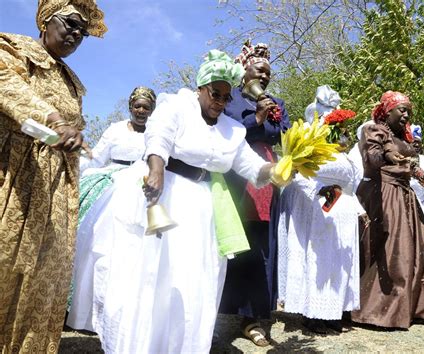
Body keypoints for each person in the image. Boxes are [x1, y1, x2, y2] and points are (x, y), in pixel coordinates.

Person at [75, 50, 274, 353]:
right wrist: (156, 169)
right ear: (201, 89)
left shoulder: (232, 130)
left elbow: (251, 166)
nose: (220, 102)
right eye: (215, 94)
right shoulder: (177, 107)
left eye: (226, 97)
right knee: (154, 276)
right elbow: (159, 137)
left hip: (201, 207)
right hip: (165, 194)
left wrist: (283, 170)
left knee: (194, 278)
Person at [0, 0, 106, 351]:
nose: (77, 33)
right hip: (17, 176)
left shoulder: (72, 81)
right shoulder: (15, 49)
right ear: (46, 20)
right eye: (71, 23)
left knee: (45, 275)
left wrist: (74, 137)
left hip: (58, 189)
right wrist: (53, 119)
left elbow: (72, 128)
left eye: (83, 31)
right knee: (7, 264)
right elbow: (8, 88)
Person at [351, 91, 424, 329]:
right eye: (401, 110)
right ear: (387, 111)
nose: (407, 115)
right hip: (383, 195)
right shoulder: (373, 131)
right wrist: (387, 152)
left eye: (408, 110)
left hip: (406, 195)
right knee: (396, 251)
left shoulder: (402, 137)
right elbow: (372, 160)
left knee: (421, 251)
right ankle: (382, 310)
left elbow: (410, 165)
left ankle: (418, 307)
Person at [66, 86, 156, 331]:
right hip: (111, 180)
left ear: (151, 111)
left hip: (141, 184)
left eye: (146, 107)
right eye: (137, 106)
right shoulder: (116, 129)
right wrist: (73, 166)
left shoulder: (156, 134)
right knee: (98, 241)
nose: (141, 111)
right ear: (130, 107)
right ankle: (87, 308)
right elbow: (96, 157)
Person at [219, 40, 290, 347]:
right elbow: (226, 129)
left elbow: (283, 131)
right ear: (244, 70)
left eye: (268, 73)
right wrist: (256, 119)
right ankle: (221, 312)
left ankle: (254, 317)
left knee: (262, 246)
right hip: (234, 174)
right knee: (234, 241)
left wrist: (269, 120)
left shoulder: (277, 102)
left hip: (267, 175)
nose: (264, 76)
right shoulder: (230, 98)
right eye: (258, 70)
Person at [278, 86, 364, 334]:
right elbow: (297, 172)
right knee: (317, 261)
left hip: (344, 210)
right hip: (318, 207)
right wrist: (317, 193)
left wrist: (358, 207)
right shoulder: (309, 140)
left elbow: (351, 183)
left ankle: (332, 312)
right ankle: (313, 313)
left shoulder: (343, 149)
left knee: (339, 263)